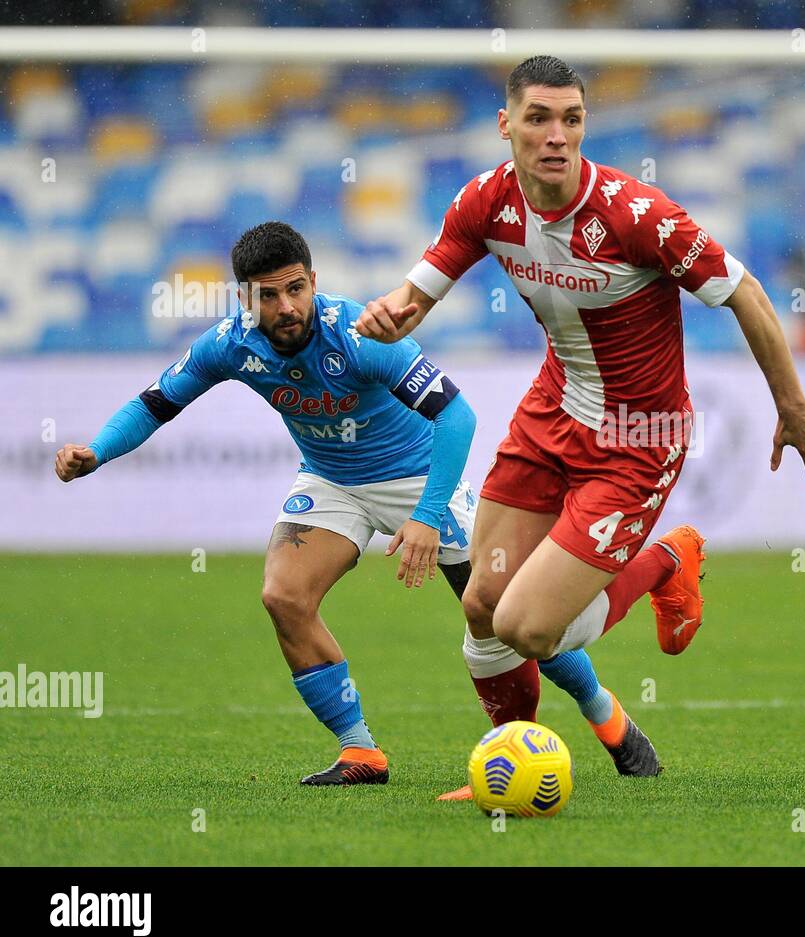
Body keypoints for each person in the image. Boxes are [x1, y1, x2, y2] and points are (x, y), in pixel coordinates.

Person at [355, 55, 805, 757]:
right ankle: (508, 761)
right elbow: (413, 299)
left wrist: (793, 404)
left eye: (572, 119)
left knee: (529, 627)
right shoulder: (484, 203)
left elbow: (744, 291)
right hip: (551, 413)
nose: (557, 135)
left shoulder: (637, 216)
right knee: (481, 603)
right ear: (507, 126)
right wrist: (388, 315)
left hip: (638, 438)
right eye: (538, 118)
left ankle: (663, 564)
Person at [55, 220, 657, 787]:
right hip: (330, 480)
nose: (286, 307)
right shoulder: (229, 346)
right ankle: (360, 749)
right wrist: (98, 452)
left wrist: (426, 514)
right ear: (245, 298)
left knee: (507, 617)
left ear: (314, 282)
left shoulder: (361, 333)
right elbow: (154, 402)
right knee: (283, 596)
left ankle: (605, 714)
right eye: (268, 295)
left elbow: (457, 413)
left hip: (419, 478)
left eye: (296, 289)